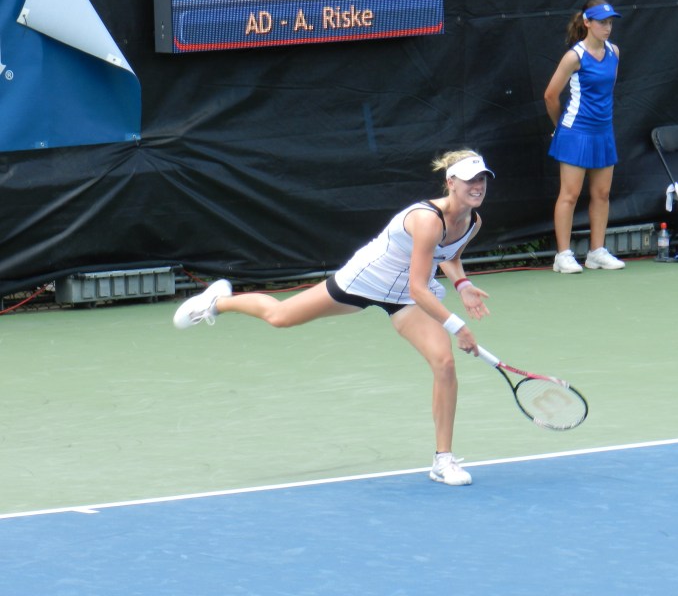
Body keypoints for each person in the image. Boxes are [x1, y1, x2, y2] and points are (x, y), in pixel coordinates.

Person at [172, 150, 495, 487]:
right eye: (470, 179)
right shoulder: (427, 218)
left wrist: (463, 283)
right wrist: (457, 326)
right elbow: (419, 288)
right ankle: (218, 301)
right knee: (280, 316)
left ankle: (443, 460)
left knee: (444, 364)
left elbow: (449, 258)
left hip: (405, 299)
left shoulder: (472, 222)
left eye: (482, 179)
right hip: (366, 281)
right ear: (451, 182)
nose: (478, 186)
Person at [543, 0, 626, 274]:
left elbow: (607, 92)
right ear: (587, 23)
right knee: (570, 194)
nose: (607, 27)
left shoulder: (614, 52)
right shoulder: (574, 57)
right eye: (602, 22)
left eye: (610, 22)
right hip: (574, 131)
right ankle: (563, 256)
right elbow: (551, 95)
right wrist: (560, 127)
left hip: (603, 132)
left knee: (602, 194)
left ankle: (596, 253)